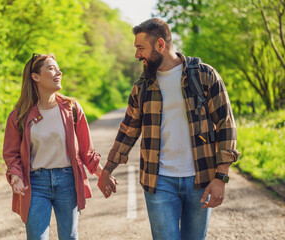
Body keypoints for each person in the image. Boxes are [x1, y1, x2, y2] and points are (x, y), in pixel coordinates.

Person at [98, 18, 240, 240]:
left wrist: (221, 176)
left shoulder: (204, 76)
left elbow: (226, 125)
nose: (137, 55)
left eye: (140, 48)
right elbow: (128, 131)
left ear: (160, 45)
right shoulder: (142, 87)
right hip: (159, 181)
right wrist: (107, 169)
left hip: (200, 179)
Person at [3, 53, 103, 240]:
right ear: (36, 77)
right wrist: (16, 175)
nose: (59, 72)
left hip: (68, 181)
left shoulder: (72, 108)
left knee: (70, 237)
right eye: (51, 68)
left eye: (58, 68)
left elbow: (86, 150)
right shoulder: (19, 116)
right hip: (35, 184)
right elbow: (11, 154)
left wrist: (102, 174)